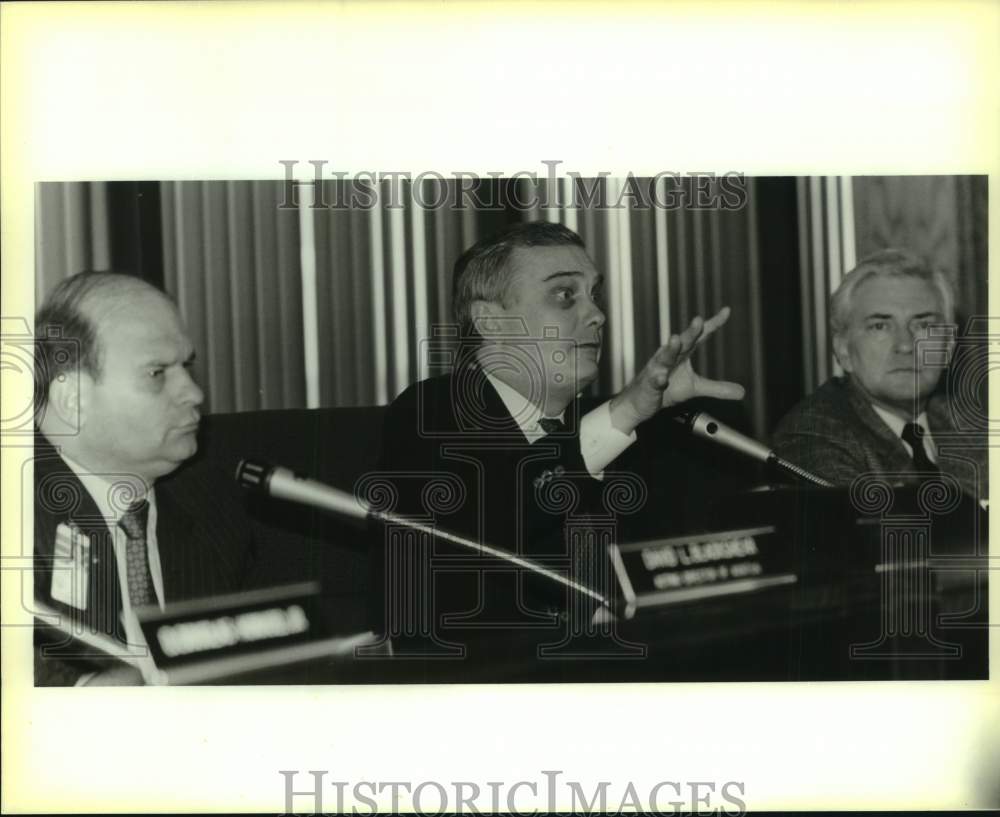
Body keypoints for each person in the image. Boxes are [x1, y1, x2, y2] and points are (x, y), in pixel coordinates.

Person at [374, 221, 744, 627]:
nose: (598, 315)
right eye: (565, 295)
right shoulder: (428, 416)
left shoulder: (631, 431)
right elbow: (497, 522)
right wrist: (626, 413)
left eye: (594, 294)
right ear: (491, 321)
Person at [33, 272, 257, 685]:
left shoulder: (215, 499)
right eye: (157, 373)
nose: (194, 393)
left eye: (187, 367)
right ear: (72, 398)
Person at [772, 249, 987, 499]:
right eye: (880, 326)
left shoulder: (971, 427)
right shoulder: (813, 435)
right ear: (843, 351)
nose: (905, 345)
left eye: (924, 325)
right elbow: (880, 533)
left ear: (948, 346)